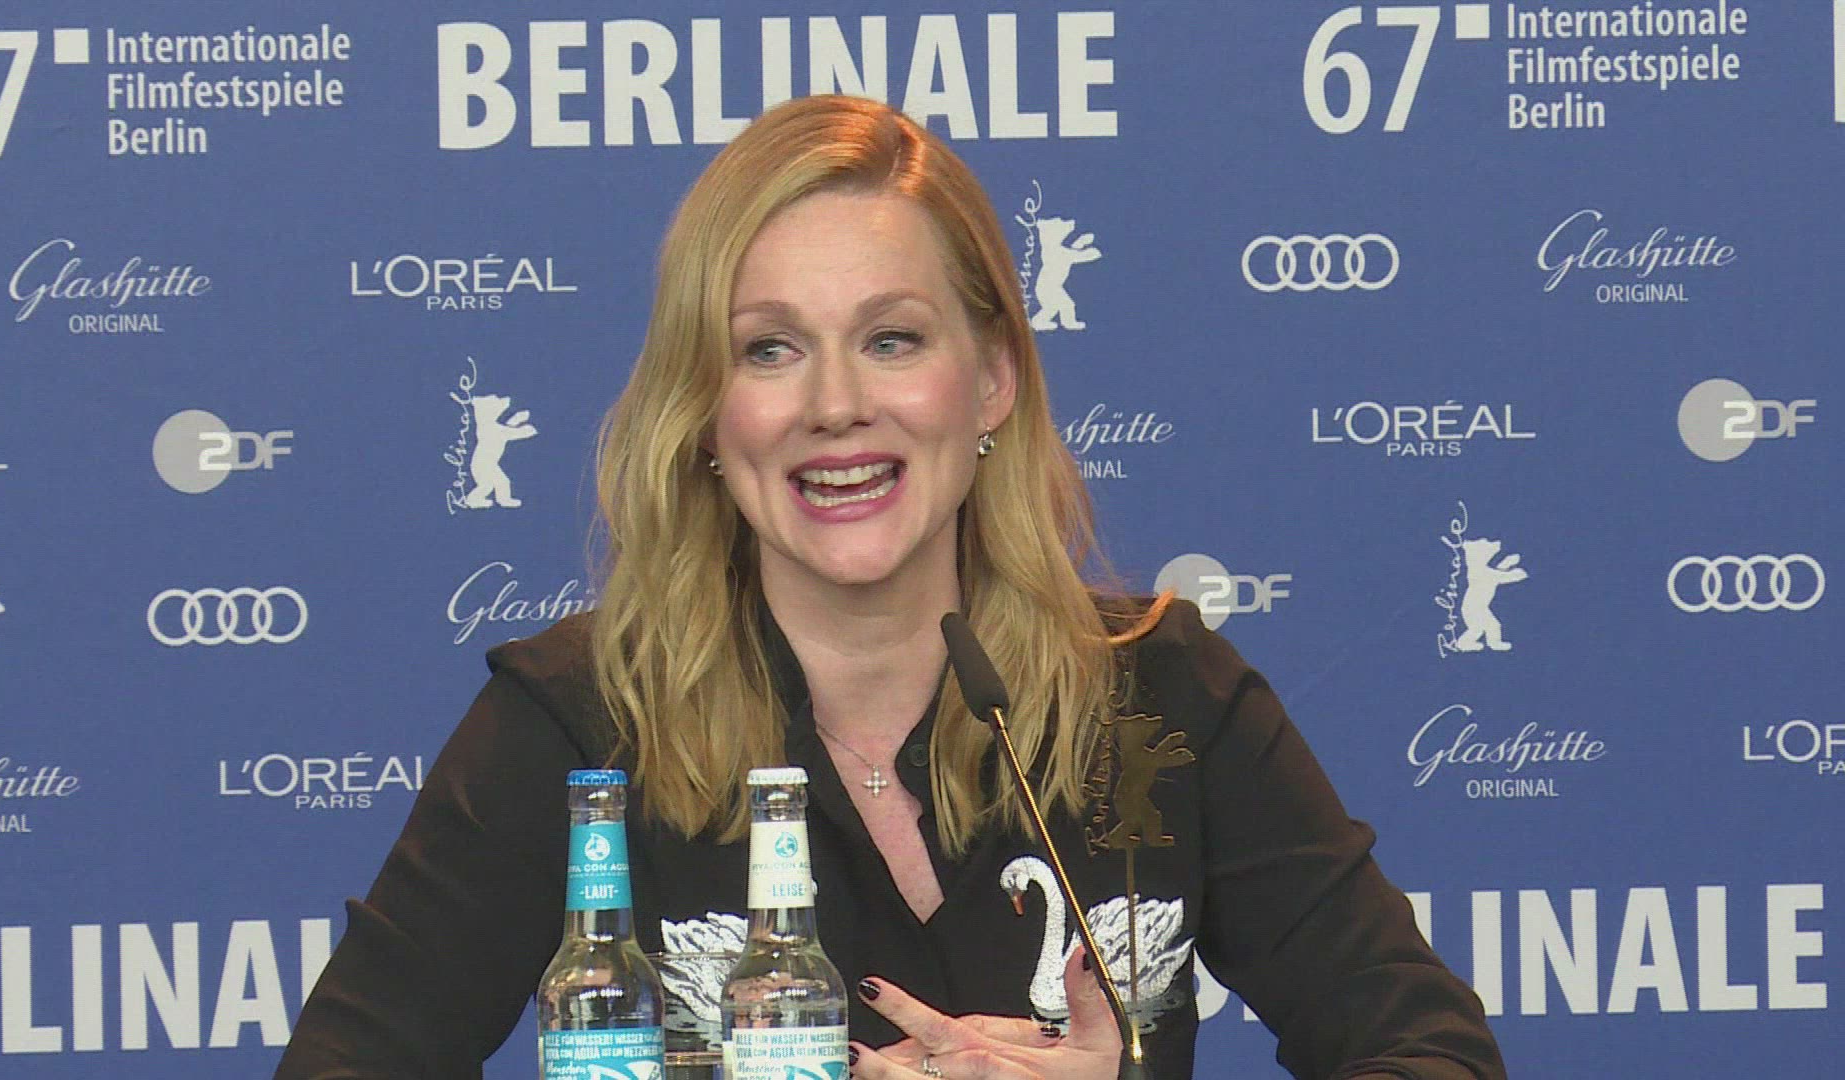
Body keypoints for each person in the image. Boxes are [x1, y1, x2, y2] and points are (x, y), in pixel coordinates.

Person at [276, 95, 1505, 1080]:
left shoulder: (1164, 697)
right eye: (769, 349)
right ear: (706, 413)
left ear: (992, 381)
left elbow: (1433, 1054)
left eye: (892, 339)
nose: (835, 405)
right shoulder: (582, 724)